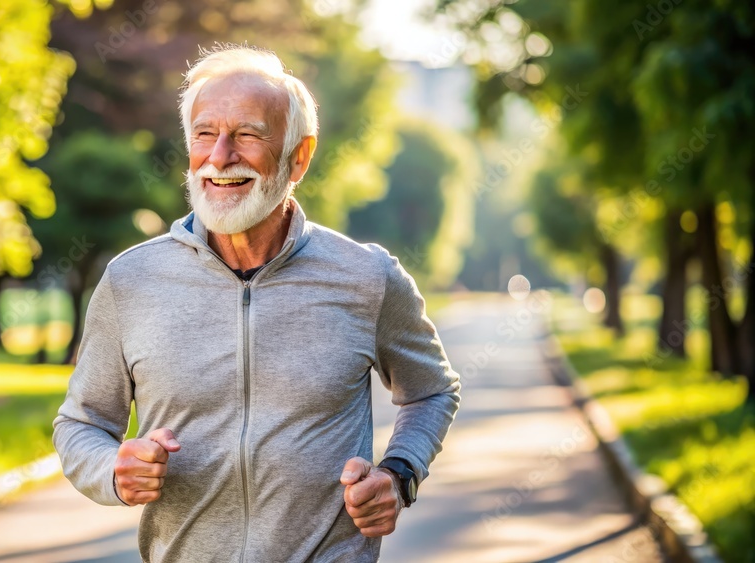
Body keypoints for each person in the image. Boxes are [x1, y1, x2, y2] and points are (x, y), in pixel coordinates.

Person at [53, 43, 461, 562]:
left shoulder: (367, 277)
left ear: (299, 156)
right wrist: (112, 469)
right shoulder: (131, 280)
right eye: (204, 133)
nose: (219, 157)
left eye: (247, 135)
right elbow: (81, 424)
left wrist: (399, 473)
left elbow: (432, 391)